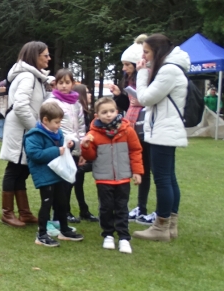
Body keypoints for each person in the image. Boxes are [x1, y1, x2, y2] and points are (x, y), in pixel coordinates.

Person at [133, 34, 189, 241]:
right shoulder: (173, 68)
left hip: (163, 131)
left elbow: (145, 98)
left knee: (163, 179)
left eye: (146, 52)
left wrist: (141, 73)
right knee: (169, 178)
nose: (144, 56)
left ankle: (161, 226)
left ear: (157, 51)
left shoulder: (169, 70)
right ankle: (170, 226)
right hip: (166, 128)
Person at [81, 97, 143, 254]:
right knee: (106, 207)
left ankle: (123, 237)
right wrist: (86, 146)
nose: (108, 115)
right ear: (97, 115)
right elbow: (90, 157)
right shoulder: (93, 134)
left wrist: (137, 171)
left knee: (122, 207)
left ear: (117, 111)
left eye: (111, 111)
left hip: (123, 178)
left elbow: (135, 151)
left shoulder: (127, 130)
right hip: (103, 178)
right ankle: (108, 234)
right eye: (104, 112)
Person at [0, 41, 51, 227]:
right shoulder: (28, 77)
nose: (48, 58)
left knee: (22, 170)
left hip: (24, 129)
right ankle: (7, 213)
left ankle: (24, 212)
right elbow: (21, 106)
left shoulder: (33, 77)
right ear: (34, 56)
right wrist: (36, 129)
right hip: (22, 129)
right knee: (14, 169)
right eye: (45, 55)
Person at [24, 103, 84, 247]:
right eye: (56, 122)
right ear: (45, 120)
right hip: (44, 176)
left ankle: (64, 229)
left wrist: (69, 144)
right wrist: (56, 151)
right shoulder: (34, 135)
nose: (59, 125)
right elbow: (34, 154)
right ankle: (41, 234)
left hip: (58, 173)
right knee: (46, 204)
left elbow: (62, 144)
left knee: (62, 203)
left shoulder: (57, 133)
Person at [111, 35, 154, 225]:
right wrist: (120, 96)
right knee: (139, 168)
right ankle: (140, 207)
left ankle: (150, 209)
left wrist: (141, 100)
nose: (124, 68)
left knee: (147, 167)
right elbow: (127, 106)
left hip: (146, 127)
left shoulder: (148, 79)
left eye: (127, 64)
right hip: (132, 126)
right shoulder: (129, 81)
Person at [42, 69, 86, 223]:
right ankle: (57, 215)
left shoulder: (77, 104)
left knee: (69, 181)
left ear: (73, 84)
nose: (64, 86)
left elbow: (81, 127)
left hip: (74, 148)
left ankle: (63, 212)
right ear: (55, 84)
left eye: (67, 82)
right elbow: (46, 125)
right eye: (61, 82)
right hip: (59, 147)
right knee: (58, 183)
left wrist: (81, 151)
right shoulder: (51, 102)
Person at [70, 83, 97, 222]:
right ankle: (69, 211)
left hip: (82, 151)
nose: (90, 94)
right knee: (72, 180)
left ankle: (83, 210)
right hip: (74, 151)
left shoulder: (86, 112)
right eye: (87, 92)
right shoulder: (77, 114)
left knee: (78, 180)